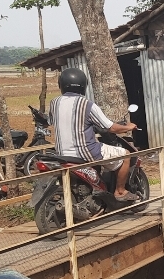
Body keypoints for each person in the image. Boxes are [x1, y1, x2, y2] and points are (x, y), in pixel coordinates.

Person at [48, 68, 139, 202]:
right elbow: (111, 127)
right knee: (126, 155)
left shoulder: (54, 103)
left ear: (60, 85)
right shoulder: (88, 105)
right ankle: (120, 191)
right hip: (86, 152)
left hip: (62, 154)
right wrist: (128, 127)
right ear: (84, 85)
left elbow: (50, 121)